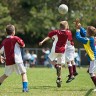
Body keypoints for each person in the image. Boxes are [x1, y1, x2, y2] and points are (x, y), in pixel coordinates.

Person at [39, 21, 71, 87]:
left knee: (50, 59)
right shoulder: (68, 33)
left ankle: (56, 66)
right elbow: (69, 39)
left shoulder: (56, 32)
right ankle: (59, 78)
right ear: (66, 26)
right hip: (62, 51)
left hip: (55, 49)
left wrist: (42, 41)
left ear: (60, 26)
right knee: (60, 65)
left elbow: (48, 36)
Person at [0, 24, 28, 92]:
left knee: (5, 75)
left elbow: (0, 51)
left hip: (8, 61)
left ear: (7, 32)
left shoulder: (4, 41)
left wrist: (0, 57)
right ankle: (25, 89)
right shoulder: (16, 38)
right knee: (23, 73)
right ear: (13, 32)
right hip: (17, 60)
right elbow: (23, 45)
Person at [75, 20, 96, 92]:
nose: (85, 31)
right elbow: (84, 33)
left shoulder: (88, 39)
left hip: (93, 58)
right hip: (93, 58)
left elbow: (78, 38)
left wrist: (77, 30)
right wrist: (80, 27)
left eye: (86, 30)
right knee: (91, 72)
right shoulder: (90, 37)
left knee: (91, 73)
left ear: (88, 33)